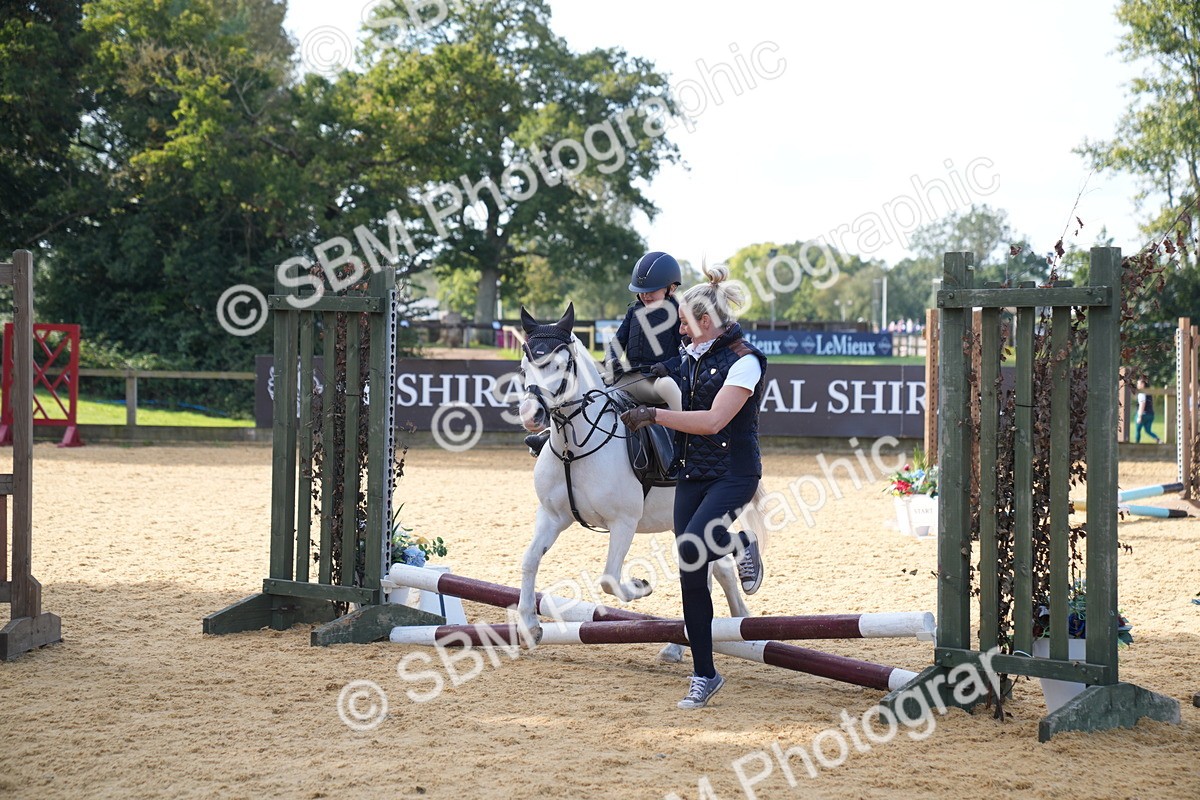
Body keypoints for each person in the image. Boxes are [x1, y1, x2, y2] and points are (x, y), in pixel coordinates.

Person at [620, 264, 767, 710]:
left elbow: (712, 421)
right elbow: (647, 374)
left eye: (684, 322)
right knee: (689, 565)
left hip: (735, 474)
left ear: (706, 322)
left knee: (701, 538)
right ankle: (704, 673)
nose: (679, 329)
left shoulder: (745, 360)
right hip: (692, 475)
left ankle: (742, 542)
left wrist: (655, 415)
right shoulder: (689, 354)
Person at [523, 251, 684, 456]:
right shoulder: (634, 312)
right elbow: (617, 342)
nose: (645, 295)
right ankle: (549, 435)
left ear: (671, 288)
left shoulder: (679, 314)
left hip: (658, 380)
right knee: (586, 391)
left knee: (670, 387)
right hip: (630, 378)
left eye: (651, 290)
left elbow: (687, 353)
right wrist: (612, 360)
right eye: (642, 291)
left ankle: (690, 442)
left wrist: (668, 367)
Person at [1135, 379, 1160, 443]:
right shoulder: (1149, 393)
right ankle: (1158, 440)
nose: (1137, 385)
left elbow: (1142, 404)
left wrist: (1139, 416)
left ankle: (1136, 444)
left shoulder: (1141, 393)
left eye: (1138, 384)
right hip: (1151, 414)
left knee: (1138, 430)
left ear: (1143, 385)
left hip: (1143, 414)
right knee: (1148, 431)